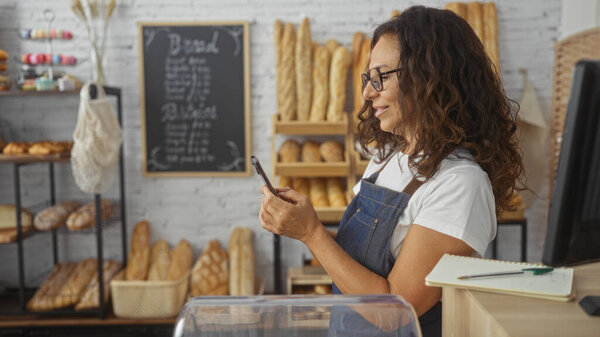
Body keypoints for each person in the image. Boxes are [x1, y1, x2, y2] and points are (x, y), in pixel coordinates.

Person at [259, 6, 524, 337]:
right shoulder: (389, 158)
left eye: (380, 76)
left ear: (430, 77)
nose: (368, 93)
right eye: (368, 78)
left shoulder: (461, 183)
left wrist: (311, 233)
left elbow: (395, 312)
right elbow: (357, 260)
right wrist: (301, 226)